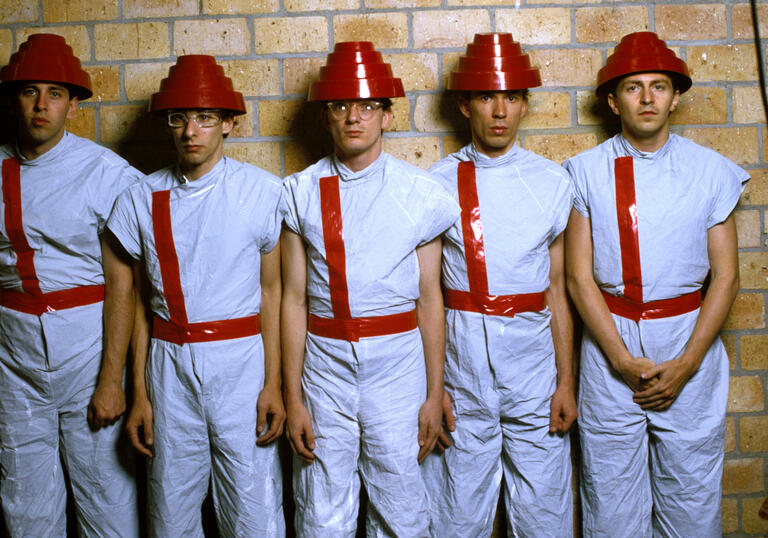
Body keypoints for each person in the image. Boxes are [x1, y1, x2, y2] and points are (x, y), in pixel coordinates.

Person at [564, 31, 749, 537]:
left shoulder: (712, 172)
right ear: (611, 99)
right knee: (611, 501)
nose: (647, 98)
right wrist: (621, 360)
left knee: (690, 498)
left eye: (659, 86)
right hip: (610, 342)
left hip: (688, 337)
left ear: (675, 96)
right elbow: (578, 278)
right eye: (633, 87)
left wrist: (687, 364)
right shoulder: (583, 172)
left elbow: (726, 277)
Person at [281, 41, 460, 536]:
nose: (353, 117)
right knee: (321, 507)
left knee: (400, 502)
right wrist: (293, 397)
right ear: (326, 116)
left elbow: (430, 298)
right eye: (340, 105)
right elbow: (293, 300)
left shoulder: (421, 194)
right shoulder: (299, 192)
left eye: (366, 106)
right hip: (324, 361)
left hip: (397, 362)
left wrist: (433, 391)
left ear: (386, 113)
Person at [105, 55, 285, 536]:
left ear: (228, 123)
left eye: (205, 117)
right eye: (179, 117)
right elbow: (142, 306)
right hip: (169, 364)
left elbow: (272, 293)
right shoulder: (141, 197)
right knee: (170, 506)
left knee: (252, 507)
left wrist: (274, 384)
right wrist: (139, 393)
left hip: (241, 362)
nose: (191, 130)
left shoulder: (262, 192)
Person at [424, 33, 576, 537]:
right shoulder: (438, 182)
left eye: (511, 97)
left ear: (525, 104)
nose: (499, 111)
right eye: (487, 97)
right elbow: (429, 295)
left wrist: (566, 381)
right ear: (464, 105)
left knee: (544, 509)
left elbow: (558, 287)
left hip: (534, 364)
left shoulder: (553, 182)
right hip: (462, 363)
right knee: (457, 510)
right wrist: (435, 386)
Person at [0, 33, 141, 536]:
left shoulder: (105, 173)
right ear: (13, 99)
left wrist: (110, 380)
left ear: (73, 106)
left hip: (85, 348)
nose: (42, 105)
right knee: (24, 504)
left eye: (55, 94)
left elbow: (123, 283)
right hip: (13, 359)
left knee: (105, 498)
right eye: (29, 91)